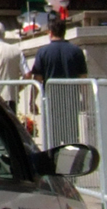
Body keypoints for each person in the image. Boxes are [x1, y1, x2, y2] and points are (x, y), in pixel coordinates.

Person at [31, 16, 89, 146]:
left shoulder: (43, 52)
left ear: (50, 32)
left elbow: (37, 79)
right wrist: (85, 100)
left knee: (52, 138)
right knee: (72, 137)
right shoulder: (76, 51)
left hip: (51, 100)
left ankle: (54, 162)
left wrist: (32, 100)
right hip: (71, 100)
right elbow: (83, 79)